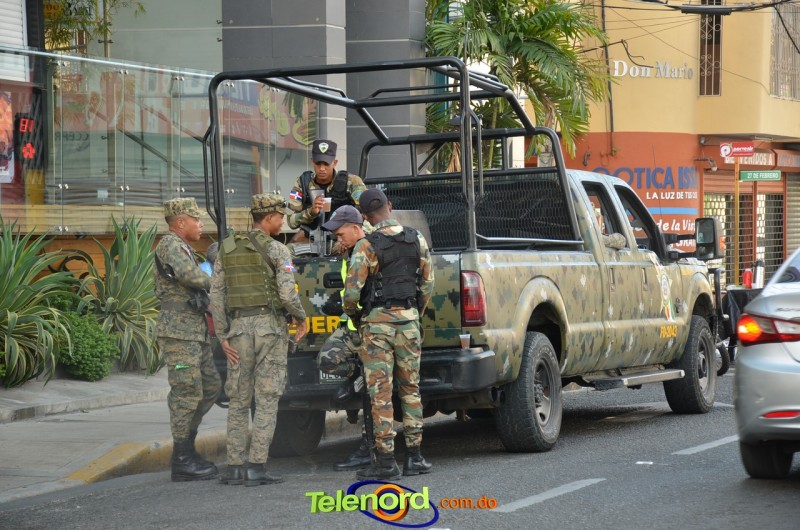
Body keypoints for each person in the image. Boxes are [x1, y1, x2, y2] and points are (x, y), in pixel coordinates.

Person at [209, 193, 309, 487]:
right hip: (269, 330)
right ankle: (256, 467)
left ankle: (234, 467)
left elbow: (216, 295)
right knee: (266, 398)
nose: (282, 223)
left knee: (238, 400)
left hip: (238, 330)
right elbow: (287, 295)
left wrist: (222, 335)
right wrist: (300, 318)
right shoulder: (278, 250)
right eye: (280, 218)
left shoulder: (227, 248)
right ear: (269, 218)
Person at [343, 188, 435, 479]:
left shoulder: (366, 245)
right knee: (410, 389)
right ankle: (415, 457)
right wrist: (414, 313)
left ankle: (386, 462)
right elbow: (427, 285)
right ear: (390, 206)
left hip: (377, 327)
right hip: (408, 323)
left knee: (381, 393)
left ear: (365, 217)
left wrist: (358, 317)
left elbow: (351, 294)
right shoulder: (416, 238)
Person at [154, 197, 222, 482]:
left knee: (211, 386)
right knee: (186, 392)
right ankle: (181, 458)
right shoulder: (170, 245)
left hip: (195, 330)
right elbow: (192, 277)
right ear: (180, 222)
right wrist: (221, 280)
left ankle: (187, 447)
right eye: (196, 220)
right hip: (178, 333)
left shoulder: (184, 247)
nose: (201, 225)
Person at [317, 205, 371, 471]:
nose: (337, 240)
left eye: (340, 234)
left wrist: (345, 304)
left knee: (374, 392)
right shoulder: (350, 249)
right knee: (326, 360)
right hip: (352, 325)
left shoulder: (371, 247)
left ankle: (370, 447)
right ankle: (356, 378)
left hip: (371, 326)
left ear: (355, 227)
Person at [287, 139, 367, 239]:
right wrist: (311, 212)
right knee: (291, 246)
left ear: (335, 163)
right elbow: (291, 221)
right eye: (318, 163)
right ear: (312, 161)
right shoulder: (302, 183)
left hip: (343, 238)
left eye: (326, 164)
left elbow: (367, 213)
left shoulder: (351, 182)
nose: (322, 169)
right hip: (312, 236)